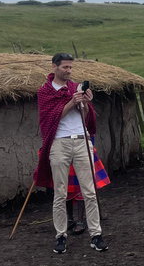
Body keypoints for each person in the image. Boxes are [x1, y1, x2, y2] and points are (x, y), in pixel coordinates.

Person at [33, 52, 108, 254]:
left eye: (71, 67)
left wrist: (85, 103)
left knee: (89, 191)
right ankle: (61, 236)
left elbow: (86, 117)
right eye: (65, 67)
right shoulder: (45, 92)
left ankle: (96, 235)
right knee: (60, 192)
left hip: (82, 140)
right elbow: (50, 119)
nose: (69, 71)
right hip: (59, 143)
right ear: (54, 67)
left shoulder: (76, 88)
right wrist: (71, 103)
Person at [66, 138, 111, 235]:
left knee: (83, 185)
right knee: (67, 186)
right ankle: (70, 218)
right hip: (64, 149)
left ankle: (80, 220)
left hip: (82, 148)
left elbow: (91, 132)